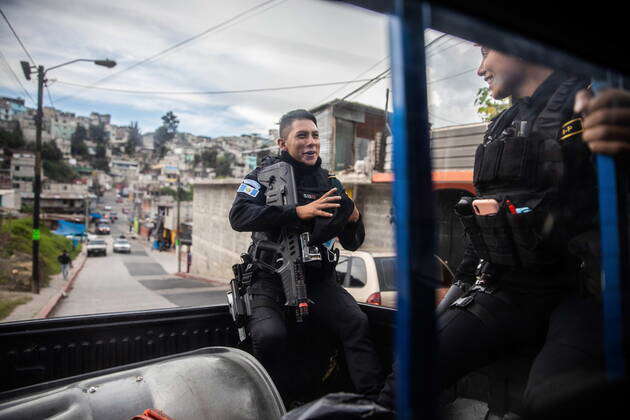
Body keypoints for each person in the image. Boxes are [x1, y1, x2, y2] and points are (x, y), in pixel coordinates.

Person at [378, 46, 601, 414]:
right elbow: (482, 227)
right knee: (408, 372)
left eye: (485, 52)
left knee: (551, 400)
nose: (480, 69)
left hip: (577, 293)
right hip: (508, 289)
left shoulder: (587, 107)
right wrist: (461, 283)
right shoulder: (502, 125)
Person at [229, 109, 384, 401]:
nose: (311, 141)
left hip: (316, 278)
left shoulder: (330, 184)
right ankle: (271, 405)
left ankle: (374, 403)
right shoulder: (262, 177)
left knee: (356, 323)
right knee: (269, 336)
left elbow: (352, 242)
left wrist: (353, 220)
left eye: (315, 135)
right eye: (302, 135)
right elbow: (238, 216)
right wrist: (297, 212)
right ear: (282, 143)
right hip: (267, 278)